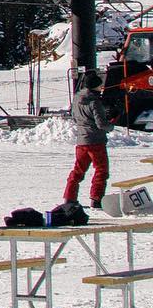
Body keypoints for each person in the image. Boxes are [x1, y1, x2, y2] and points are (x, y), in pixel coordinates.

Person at [65, 68, 114, 211]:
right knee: (101, 170)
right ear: (94, 86)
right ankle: (96, 199)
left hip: (82, 141)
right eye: (100, 85)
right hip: (96, 141)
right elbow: (101, 124)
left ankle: (69, 197)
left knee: (78, 171)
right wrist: (110, 125)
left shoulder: (77, 99)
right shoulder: (94, 101)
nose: (101, 88)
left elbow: (74, 118)